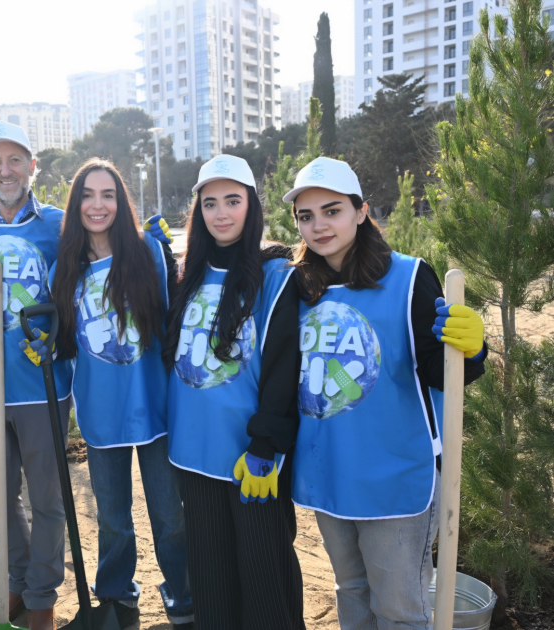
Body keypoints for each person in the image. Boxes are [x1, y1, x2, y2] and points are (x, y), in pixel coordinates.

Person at [286, 157, 487, 630]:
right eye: (305, 216)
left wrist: (472, 350)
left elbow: (444, 373)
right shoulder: (300, 287)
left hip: (394, 477)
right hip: (328, 472)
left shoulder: (409, 278)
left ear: (361, 211)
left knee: (399, 610)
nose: (318, 225)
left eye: (331, 210)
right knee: (351, 593)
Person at [45, 159, 193, 629]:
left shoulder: (148, 252)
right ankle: (116, 599)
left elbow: (172, 325)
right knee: (113, 517)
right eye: (87, 195)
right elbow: (66, 346)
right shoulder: (64, 270)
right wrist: (44, 347)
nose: (97, 204)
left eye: (108, 194)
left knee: (170, 515)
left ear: (120, 201)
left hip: (154, 410)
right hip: (101, 413)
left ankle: (185, 596)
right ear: (76, 203)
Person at [164, 154, 305, 629]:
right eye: (210, 204)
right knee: (210, 572)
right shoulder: (189, 274)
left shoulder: (277, 276)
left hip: (251, 457)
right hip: (192, 451)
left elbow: (285, 369)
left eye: (232, 201)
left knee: (265, 572)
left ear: (252, 205)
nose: (221, 213)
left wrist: (266, 444)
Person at [0, 121, 73, 630]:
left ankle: (42, 600)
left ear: (32, 166)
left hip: (42, 387)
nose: (6, 170)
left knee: (46, 499)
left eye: (15, 160)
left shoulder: (58, 225)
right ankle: (18, 584)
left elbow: (88, 284)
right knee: (1, 499)